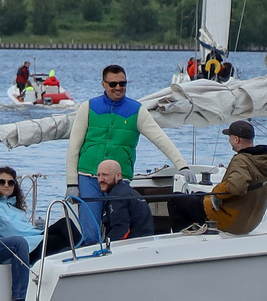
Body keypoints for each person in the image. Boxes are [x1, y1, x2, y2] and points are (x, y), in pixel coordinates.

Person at [63, 64, 182, 244]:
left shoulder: (137, 110)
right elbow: (73, 148)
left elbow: (161, 139)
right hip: (88, 177)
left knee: (118, 230)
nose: (118, 88)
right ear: (103, 84)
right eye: (113, 84)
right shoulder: (88, 108)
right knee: (90, 234)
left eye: (122, 83)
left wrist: (182, 165)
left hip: (119, 181)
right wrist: (72, 182)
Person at [160, 121, 267, 234]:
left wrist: (218, 190)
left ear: (236, 139)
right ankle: (198, 230)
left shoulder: (242, 160)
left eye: (230, 137)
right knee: (198, 195)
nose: (229, 140)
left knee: (176, 199)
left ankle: (184, 238)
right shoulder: (264, 160)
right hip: (249, 221)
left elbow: (237, 187)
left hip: (232, 220)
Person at [0, 166, 39, 301]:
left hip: (30, 240)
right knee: (63, 230)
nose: (6, 185)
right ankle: (19, 299)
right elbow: (11, 229)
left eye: (10, 182)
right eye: (2, 182)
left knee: (67, 231)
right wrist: (41, 234)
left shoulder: (14, 207)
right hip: (18, 244)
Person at [91, 160, 154, 242]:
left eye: (105, 175)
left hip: (132, 245)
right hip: (146, 240)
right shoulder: (129, 192)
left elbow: (121, 230)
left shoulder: (117, 197)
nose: (100, 180)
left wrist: (104, 246)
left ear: (118, 175)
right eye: (98, 175)